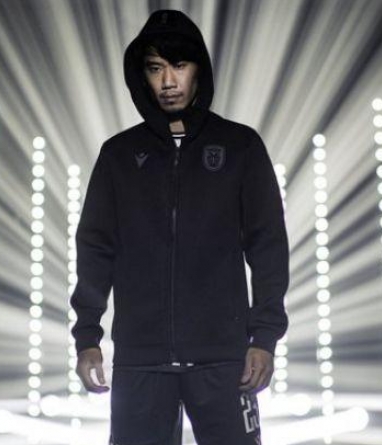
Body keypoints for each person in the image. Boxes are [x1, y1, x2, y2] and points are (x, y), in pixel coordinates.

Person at [69, 9, 289, 445]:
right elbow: (95, 249)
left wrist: (264, 338)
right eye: (155, 69)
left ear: (198, 70)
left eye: (179, 65)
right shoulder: (118, 155)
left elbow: (268, 247)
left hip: (224, 360)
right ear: (141, 76)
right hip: (141, 362)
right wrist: (87, 337)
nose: (168, 81)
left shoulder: (240, 146)